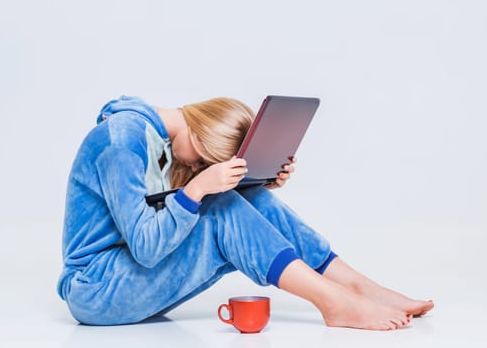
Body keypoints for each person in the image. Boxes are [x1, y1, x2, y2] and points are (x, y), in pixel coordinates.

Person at [57, 95, 434, 330]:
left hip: (124, 280)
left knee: (249, 201)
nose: (202, 167)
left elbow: (161, 206)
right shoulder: (121, 141)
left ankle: (356, 286)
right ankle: (334, 303)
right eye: (214, 161)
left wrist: (256, 185)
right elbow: (146, 246)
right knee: (222, 208)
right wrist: (201, 187)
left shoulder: (153, 138)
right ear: (207, 142)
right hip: (97, 288)